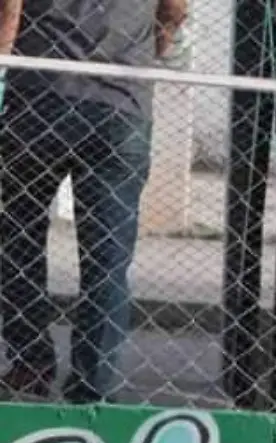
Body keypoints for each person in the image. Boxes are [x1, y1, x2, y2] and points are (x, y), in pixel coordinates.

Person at [0, 0, 187, 404]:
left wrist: (5, 58)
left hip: (42, 90)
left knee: (16, 236)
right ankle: (92, 383)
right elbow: (174, 10)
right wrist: (147, 50)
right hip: (120, 101)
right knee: (108, 257)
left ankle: (31, 362)